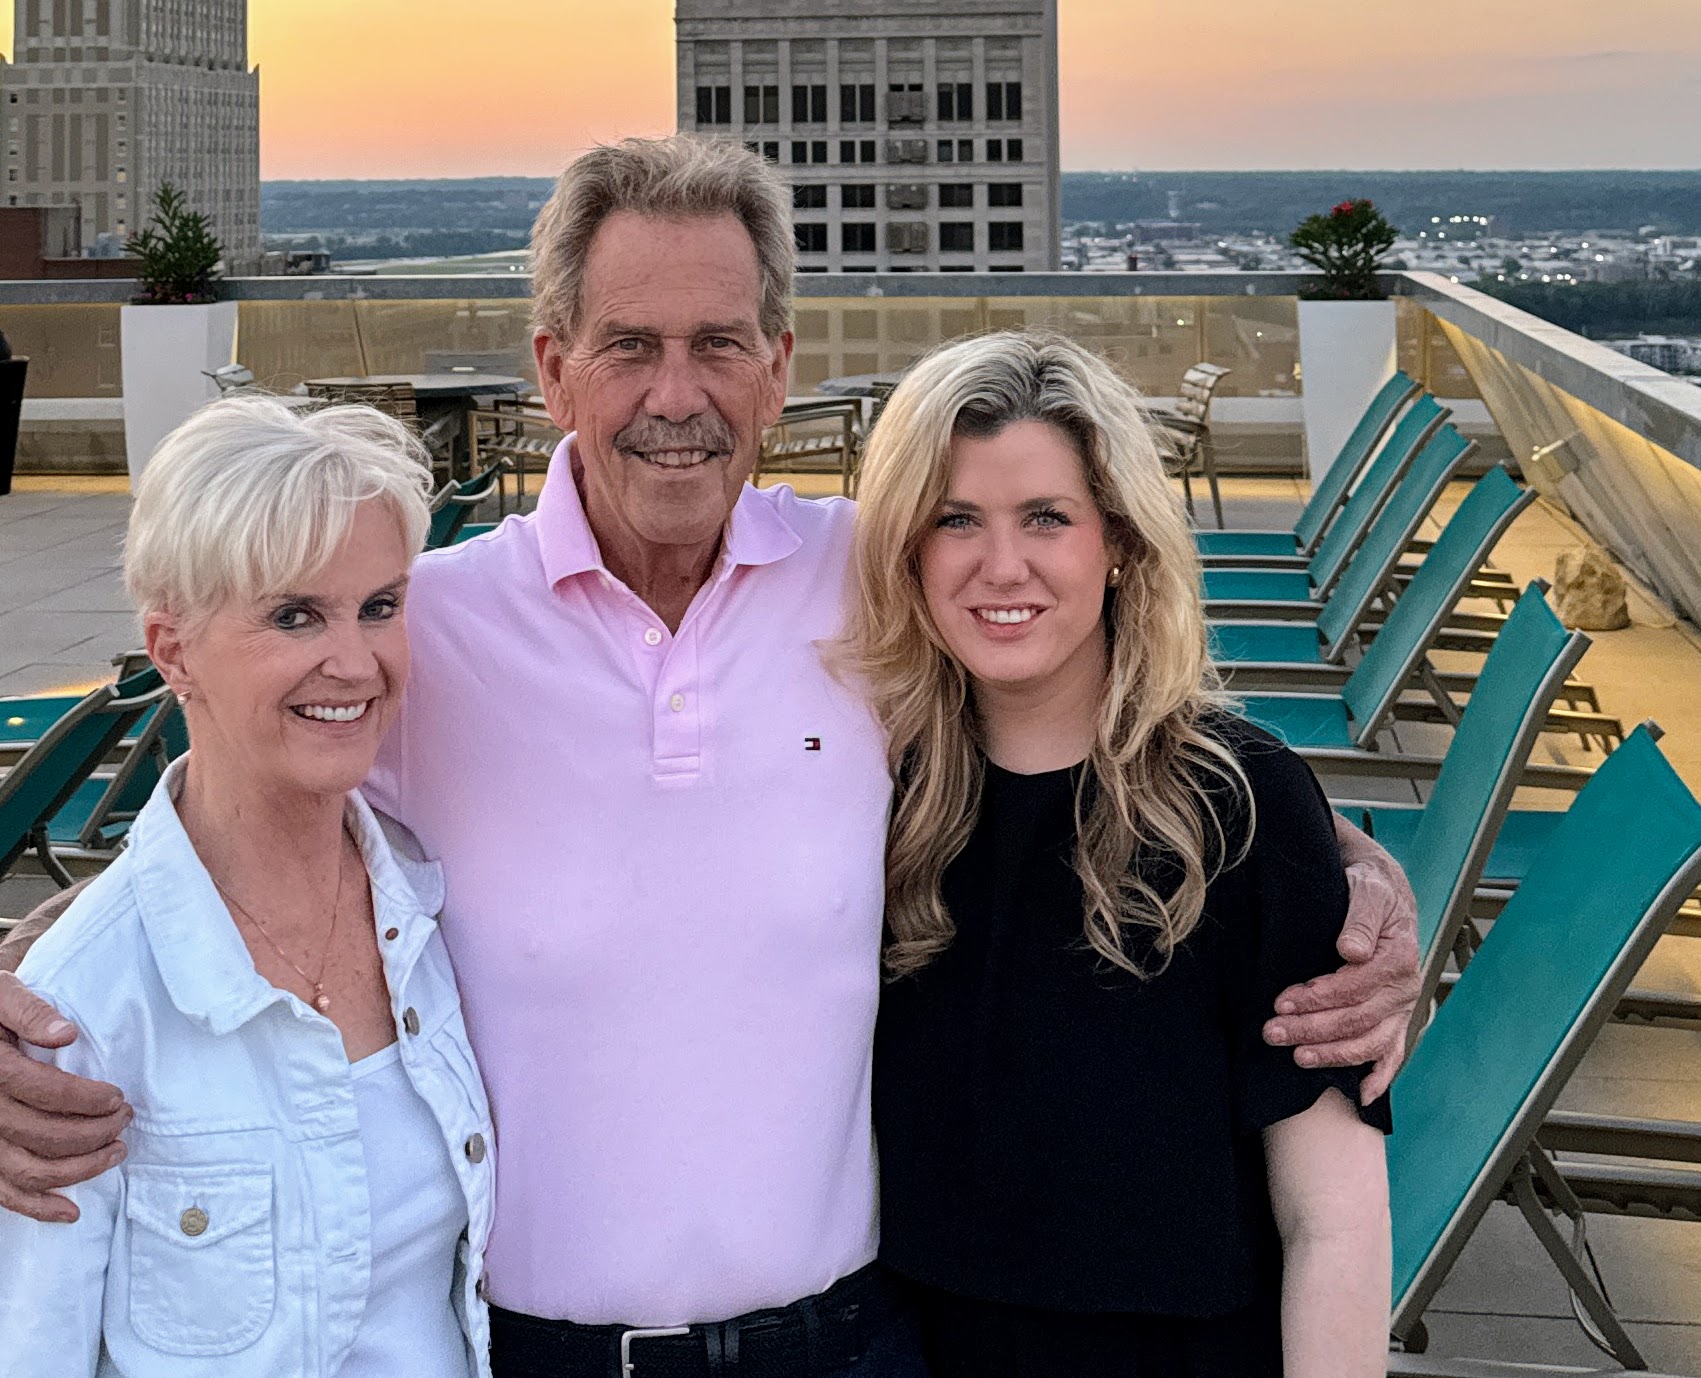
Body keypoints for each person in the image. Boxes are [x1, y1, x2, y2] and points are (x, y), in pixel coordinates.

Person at [0, 136, 1415, 1378]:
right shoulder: (425, 627)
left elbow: (1088, 711)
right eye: (627, 343)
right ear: (552, 365)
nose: (674, 392)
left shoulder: (876, 580)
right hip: (532, 1353)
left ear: (776, 367)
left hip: (857, 1339)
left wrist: (1339, 865)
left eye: (718, 343)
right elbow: (232, 806)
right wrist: (36, 976)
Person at [845, 329, 1390, 1377]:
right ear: (908, 550)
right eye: (956, 519)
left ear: (1122, 541)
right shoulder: (876, 801)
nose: (1002, 565)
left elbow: (1336, 1218)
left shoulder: (1240, 810)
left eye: (1047, 517)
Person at [0, 396, 495, 1378]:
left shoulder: (433, 913)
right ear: (173, 647)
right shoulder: (81, 1009)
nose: (354, 661)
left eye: (380, 606)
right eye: (293, 614)